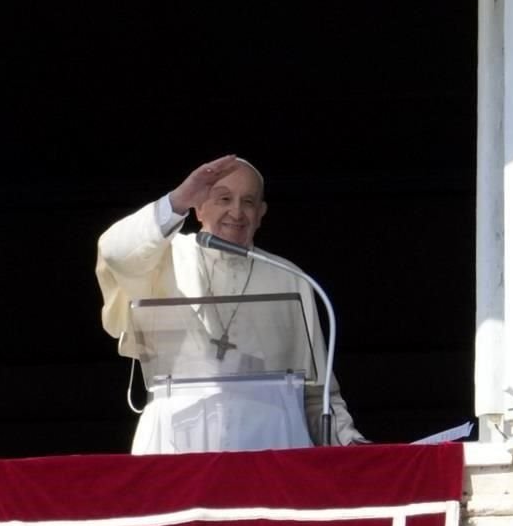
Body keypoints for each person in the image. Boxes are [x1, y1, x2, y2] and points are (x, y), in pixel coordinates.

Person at [96, 154, 367, 454]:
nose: (236, 212)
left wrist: (348, 440)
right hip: (176, 440)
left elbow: (316, 395)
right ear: (198, 206)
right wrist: (177, 200)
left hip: (272, 443)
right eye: (223, 198)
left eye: (248, 202)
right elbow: (114, 253)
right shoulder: (162, 259)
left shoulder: (290, 277)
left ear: (261, 213)